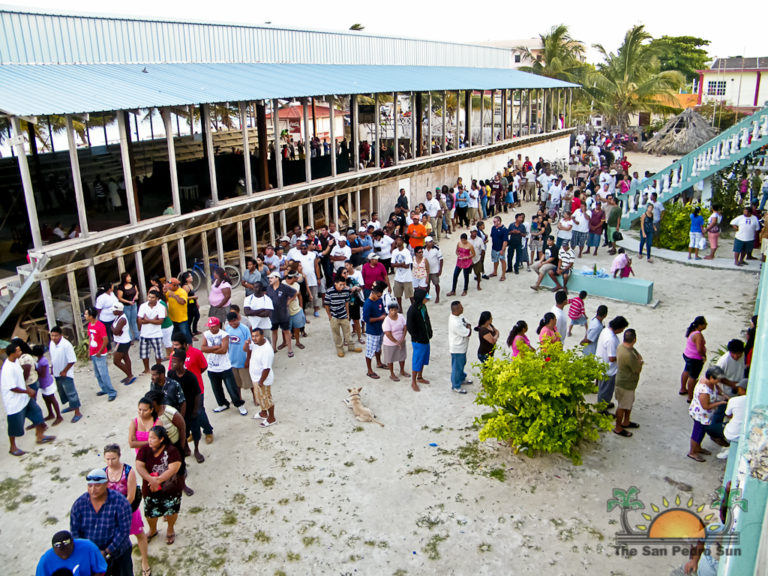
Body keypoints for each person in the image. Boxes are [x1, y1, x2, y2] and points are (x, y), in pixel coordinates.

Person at [70, 468, 133, 575]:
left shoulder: (120, 502)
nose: (93, 490)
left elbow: (123, 531)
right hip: (91, 555)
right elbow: (75, 532)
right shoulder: (79, 504)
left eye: (97, 485)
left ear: (106, 484)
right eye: (90, 486)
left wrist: (107, 552)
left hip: (119, 554)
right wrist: (90, 552)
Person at [103, 444, 151, 576]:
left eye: (113, 458)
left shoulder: (128, 472)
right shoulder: (104, 472)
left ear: (119, 456)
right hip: (112, 514)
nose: (110, 462)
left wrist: (117, 511)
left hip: (128, 511)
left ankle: (145, 561)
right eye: (107, 459)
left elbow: (130, 497)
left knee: (140, 535)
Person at [2, 342, 55, 456]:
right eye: (18, 351)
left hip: (24, 398)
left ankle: (40, 436)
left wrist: (26, 389)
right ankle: (13, 447)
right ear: (12, 353)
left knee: (37, 413)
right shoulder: (7, 369)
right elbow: (12, 387)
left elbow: (20, 379)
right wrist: (27, 391)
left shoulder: (16, 362)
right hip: (14, 402)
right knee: (15, 425)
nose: (20, 352)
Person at [134, 426, 183, 545]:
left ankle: (170, 529)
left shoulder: (172, 450)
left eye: (153, 438)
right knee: (150, 513)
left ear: (161, 439)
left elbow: (174, 468)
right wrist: (151, 479)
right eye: (149, 437)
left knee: (171, 510)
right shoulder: (145, 450)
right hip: (150, 487)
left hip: (170, 488)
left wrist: (159, 480)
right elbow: (139, 466)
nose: (149, 440)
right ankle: (153, 529)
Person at [170, 334, 213, 445]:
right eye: (173, 344)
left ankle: (208, 431)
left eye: (177, 344)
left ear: (184, 344)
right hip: (182, 391)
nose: (174, 347)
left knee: (198, 411)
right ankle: (194, 433)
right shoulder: (173, 355)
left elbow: (203, 367)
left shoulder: (196, 353)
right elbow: (171, 370)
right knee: (188, 414)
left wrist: (193, 377)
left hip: (197, 389)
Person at [201, 317, 246, 415]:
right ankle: (222, 404)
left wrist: (210, 349)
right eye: (210, 327)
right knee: (216, 388)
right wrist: (216, 347)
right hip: (212, 367)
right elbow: (203, 348)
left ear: (218, 326)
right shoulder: (206, 334)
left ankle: (239, 404)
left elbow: (224, 350)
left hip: (225, 367)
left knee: (231, 388)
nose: (211, 329)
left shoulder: (224, 334)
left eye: (213, 327)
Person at [687, 366, 728, 463]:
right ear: (711, 378)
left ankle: (698, 448)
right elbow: (706, 406)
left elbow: (717, 387)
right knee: (697, 433)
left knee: (702, 432)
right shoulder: (704, 390)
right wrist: (720, 403)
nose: (718, 381)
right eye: (717, 379)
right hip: (700, 415)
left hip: (705, 415)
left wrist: (722, 394)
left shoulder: (709, 381)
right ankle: (692, 452)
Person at [49, 326, 83, 423]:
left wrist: (65, 371)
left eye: (56, 335)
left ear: (61, 335)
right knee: (62, 391)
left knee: (71, 392)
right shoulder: (51, 344)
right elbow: (53, 357)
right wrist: (52, 368)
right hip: (57, 372)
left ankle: (77, 412)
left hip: (66, 374)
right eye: (52, 335)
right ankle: (71, 406)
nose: (54, 338)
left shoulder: (66, 345)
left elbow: (72, 360)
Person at [35, 530, 107, 576]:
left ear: (73, 542)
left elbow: (101, 571)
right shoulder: (45, 561)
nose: (63, 549)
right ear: (53, 548)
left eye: (66, 544)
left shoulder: (88, 547)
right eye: (58, 546)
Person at [613, 329, 643, 438]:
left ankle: (626, 421)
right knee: (622, 406)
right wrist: (640, 363)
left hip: (625, 381)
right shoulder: (629, 355)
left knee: (628, 403)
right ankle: (618, 427)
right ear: (634, 339)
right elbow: (637, 369)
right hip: (626, 384)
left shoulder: (621, 347)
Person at [596, 316, 629, 410]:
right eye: (622, 329)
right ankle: (602, 409)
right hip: (608, 369)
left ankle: (604, 404)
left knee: (603, 388)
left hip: (601, 363)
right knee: (606, 390)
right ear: (618, 328)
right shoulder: (611, 339)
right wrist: (622, 356)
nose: (622, 331)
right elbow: (611, 358)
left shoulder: (606, 330)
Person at [324, 274, 362, 357]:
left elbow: (346, 302)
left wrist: (347, 314)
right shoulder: (329, 291)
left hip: (344, 315)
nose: (342, 286)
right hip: (334, 317)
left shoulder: (345, 291)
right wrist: (329, 316)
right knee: (336, 334)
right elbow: (326, 305)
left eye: (344, 285)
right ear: (335, 283)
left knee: (347, 333)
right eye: (340, 285)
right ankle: (340, 349)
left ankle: (351, 347)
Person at [247, 327, 276, 427]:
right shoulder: (256, 344)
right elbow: (247, 349)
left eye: (257, 336)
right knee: (260, 397)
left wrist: (261, 381)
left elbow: (266, 368)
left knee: (266, 399)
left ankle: (271, 418)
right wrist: (246, 344)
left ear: (262, 336)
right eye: (253, 336)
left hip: (263, 380)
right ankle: (263, 413)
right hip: (256, 377)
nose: (254, 338)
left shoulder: (267, 350)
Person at [406, 288, 432, 392]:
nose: (427, 300)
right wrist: (417, 337)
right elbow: (410, 327)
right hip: (418, 340)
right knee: (417, 360)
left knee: (424, 358)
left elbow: (427, 320)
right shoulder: (412, 310)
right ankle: (413, 381)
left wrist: (429, 332)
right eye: (426, 298)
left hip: (426, 338)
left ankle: (420, 377)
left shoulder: (423, 307)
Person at [266, 271, 296, 356]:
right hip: (273, 314)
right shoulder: (269, 288)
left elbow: (294, 293)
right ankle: (274, 348)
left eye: (271, 278)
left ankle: (290, 349)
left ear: (277, 278)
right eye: (269, 278)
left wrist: (289, 301)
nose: (270, 279)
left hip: (283, 314)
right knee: (274, 331)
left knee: (286, 331)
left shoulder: (284, 287)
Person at [32, 344, 62, 426]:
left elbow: (42, 374)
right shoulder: (40, 360)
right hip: (43, 384)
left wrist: (35, 369)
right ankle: (51, 414)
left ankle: (59, 416)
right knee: (46, 398)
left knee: (52, 399)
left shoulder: (43, 361)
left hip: (47, 383)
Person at [362, 282, 387, 379]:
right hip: (372, 331)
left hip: (380, 329)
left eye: (380, 296)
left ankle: (379, 363)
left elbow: (382, 310)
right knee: (370, 351)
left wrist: (384, 316)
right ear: (372, 293)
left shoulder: (379, 299)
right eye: (377, 296)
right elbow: (366, 319)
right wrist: (380, 318)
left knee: (378, 348)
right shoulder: (368, 304)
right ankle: (369, 370)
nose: (378, 298)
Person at [137, 292, 166, 375]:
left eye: (152, 297)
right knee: (144, 353)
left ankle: (158, 368)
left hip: (156, 334)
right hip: (144, 334)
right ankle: (146, 369)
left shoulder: (161, 307)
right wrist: (153, 320)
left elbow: (160, 321)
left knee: (158, 353)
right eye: (149, 297)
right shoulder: (143, 306)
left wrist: (147, 320)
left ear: (157, 298)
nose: (150, 299)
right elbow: (139, 320)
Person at [680, 316, 707, 402]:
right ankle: (690, 397)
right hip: (695, 358)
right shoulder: (698, 335)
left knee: (686, 371)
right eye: (704, 324)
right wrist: (703, 355)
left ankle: (683, 388)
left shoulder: (692, 331)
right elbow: (699, 349)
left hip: (687, 355)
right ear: (700, 325)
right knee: (693, 377)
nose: (706, 325)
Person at [447, 301, 472, 394]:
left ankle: (461, 378)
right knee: (457, 367)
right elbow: (468, 333)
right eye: (461, 307)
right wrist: (469, 328)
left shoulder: (459, 316)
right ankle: (456, 385)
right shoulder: (455, 322)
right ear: (456, 310)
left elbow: (467, 323)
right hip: (458, 348)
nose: (463, 308)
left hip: (462, 347)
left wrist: (468, 327)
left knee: (462, 363)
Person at [381, 302, 409, 382]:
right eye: (391, 310)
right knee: (390, 358)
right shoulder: (387, 320)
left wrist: (403, 337)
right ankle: (392, 374)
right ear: (389, 310)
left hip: (401, 340)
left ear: (397, 310)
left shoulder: (400, 316)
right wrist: (396, 342)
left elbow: (405, 326)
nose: (393, 311)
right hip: (390, 342)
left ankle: (402, 370)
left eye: (395, 310)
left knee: (402, 356)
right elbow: (388, 333)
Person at [110, 302, 135, 385]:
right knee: (125, 357)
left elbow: (116, 331)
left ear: (118, 311)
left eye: (114, 310)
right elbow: (116, 330)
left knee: (116, 361)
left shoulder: (122, 319)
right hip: (122, 341)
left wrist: (112, 328)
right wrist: (114, 329)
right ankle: (129, 375)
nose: (113, 312)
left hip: (122, 342)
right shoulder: (118, 317)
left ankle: (130, 375)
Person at [164, 277, 191, 343]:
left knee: (185, 335)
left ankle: (189, 349)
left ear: (175, 286)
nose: (169, 288)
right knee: (174, 336)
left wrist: (174, 295)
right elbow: (165, 299)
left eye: (170, 287)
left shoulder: (182, 292)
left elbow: (183, 302)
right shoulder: (169, 292)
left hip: (182, 319)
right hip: (172, 319)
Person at [390, 237, 414, 310]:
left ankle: (414, 308)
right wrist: (401, 264)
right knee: (398, 294)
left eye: (399, 240)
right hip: (398, 277)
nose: (398, 242)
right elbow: (392, 264)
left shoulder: (407, 252)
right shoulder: (394, 252)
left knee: (410, 294)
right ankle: (400, 308)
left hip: (407, 277)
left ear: (403, 242)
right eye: (396, 240)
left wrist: (397, 264)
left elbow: (407, 266)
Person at [94, 284, 119, 350]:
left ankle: (118, 344)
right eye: (112, 286)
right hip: (105, 319)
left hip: (114, 317)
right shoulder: (101, 298)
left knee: (115, 331)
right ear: (109, 289)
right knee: (107, 334)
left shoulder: (112, 294)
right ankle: (108, 347)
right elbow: (98, 309)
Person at [423, 237, 443, 304]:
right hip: (427, 271)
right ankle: (427, 296)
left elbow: (441, 260)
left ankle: (437, 296)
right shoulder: (423, 249)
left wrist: (440, 270)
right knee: (427, 285)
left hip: (435, 270)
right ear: (426, 243)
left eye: (431, 241)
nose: (431, 243)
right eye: (429, 242)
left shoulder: (436, 249)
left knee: (436, 284)